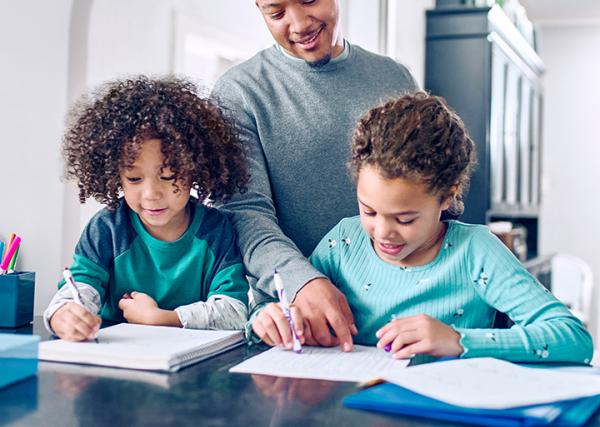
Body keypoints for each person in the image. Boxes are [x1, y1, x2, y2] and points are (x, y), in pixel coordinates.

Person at [253, 92, 593, 363]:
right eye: (369, 211)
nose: (383, 232)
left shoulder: (477, 252)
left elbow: (573, 339)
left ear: (447, 196)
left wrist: (458, 340)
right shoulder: (344, 241)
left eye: (405, 219)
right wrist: (269, 321)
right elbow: (276, 311)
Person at [211, 0, 418, 350]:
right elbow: (245, 213)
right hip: (297, 318)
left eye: (309, 0)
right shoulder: (238, 93)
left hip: (401, 310)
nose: (299, 24)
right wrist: (301, 282)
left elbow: (426, 189)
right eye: (276, 13)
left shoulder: (395, 78)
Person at [44, 76, 250, 341]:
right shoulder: (107, 228)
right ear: (115, 176)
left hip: (190, 368)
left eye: (168, 176)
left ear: (195, 169)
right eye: (134, 179)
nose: (152, 194)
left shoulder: (215, 230)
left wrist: (163, 319)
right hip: (115, 360)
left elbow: (235, 311)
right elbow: (79, 288)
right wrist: (63, 315)